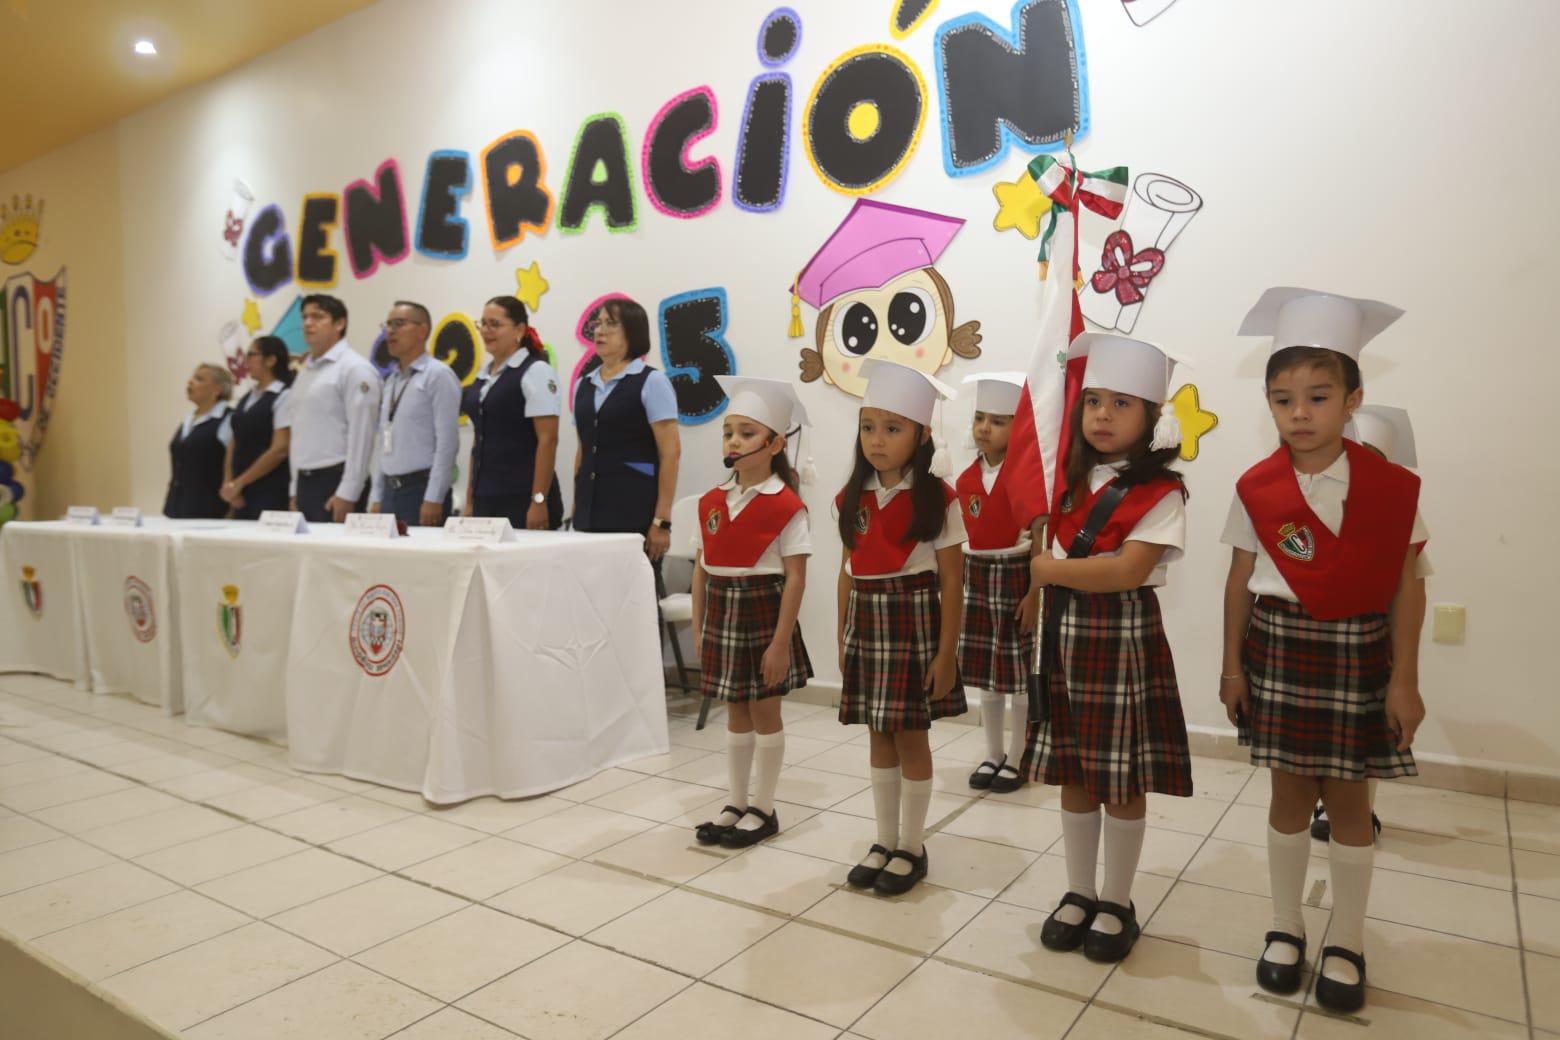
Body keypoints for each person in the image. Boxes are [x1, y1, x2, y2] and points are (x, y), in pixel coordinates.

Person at [1221, 288, 1428, 1014]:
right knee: (1285, 795)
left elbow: (1408, 587)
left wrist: (1405, 679)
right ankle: (1285, 927)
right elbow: (1241, 581)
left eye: (1317, 395)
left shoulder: (1392, 489)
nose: (1299, 414)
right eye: (1283, 400)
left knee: (1347, 802)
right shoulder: (1257, 488)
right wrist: (1230, 666)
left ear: (1353, 397)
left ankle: (1349, 938)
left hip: (1360, 653)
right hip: (1279, 649)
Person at [1025, 334, 1194, 965]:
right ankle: (1079, 890)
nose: (1101, 414)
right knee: (1073, 770)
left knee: (1119, 776)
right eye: (1093, 400)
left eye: (1121, 403)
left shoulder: (1161, 493)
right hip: (1066, 638)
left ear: (1153, 419)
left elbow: (1127, 571)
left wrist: (1047, 571)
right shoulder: (1067, 486)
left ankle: (1117, 901)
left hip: (1121, 638)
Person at [835, 359, 965, 897]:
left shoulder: (939, 499)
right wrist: (841, 636)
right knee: (877, 733)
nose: (877, 441)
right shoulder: (851, 499)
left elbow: (954, 583)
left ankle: (912, 844)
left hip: (914, 622)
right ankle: (884, 839)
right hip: (867, 621)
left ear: (922, 435)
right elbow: (846, 572)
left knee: (911, 736)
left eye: (893, 429)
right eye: (869, 426)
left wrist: (946, 654)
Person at [690, 376, 813, 849]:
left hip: (763, 616)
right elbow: (702, 569)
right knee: (735, 712)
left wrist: (781, 642)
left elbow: (796, 578)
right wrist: (700, 626)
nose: (734, 441)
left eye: (745, 432)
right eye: (728, 433)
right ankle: (735, 800)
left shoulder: (787, 505)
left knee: (765, 711)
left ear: (774, 442)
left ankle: (764, 805)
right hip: (722, 615)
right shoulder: (712, 502)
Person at [1310, 404, 1429, 843]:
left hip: (1373, 640)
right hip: (1314, 639)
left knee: (1365, 736)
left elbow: (1413, 584)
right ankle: (1320, 797)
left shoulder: (1395, 512)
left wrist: (1404, 662)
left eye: (1371, 456)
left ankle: (1363, 808)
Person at [956, 372, 1040, 794]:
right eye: (979, 418)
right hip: (977, 578)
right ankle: (993, 752)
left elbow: (1040, 539)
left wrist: (1034, 595)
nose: (985, 429)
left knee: (1019, 673)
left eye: (998, 421)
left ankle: (1021, 752)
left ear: (1018, 426)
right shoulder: (966, 477)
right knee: (988, 674)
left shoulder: (1028, 477)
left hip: (1015, 576)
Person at [571, 297, 681, 561]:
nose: (600, 330)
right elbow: (583, 449)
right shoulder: (583, 385)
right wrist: (577, 502)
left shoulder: (652, 381)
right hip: (588, 513)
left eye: (611, 324)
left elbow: (671, 453)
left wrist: (662, 520)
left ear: (632, 332)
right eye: (598, 323)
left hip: (634, 511)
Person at [463, 295, 563, 528]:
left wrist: (539, 501)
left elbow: (548, 440)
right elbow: (479, 441)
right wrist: (470, 500)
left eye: (495, 324)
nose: (487, 331)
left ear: (519, 329)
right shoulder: (483, 375)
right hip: (485, 495)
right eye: (483, 324)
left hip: (522, 497)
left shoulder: (536, 371)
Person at [286, 294, 381, 523]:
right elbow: (299, 434)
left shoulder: (354, 368)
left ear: (340, 324)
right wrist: (294, 490)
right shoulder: (306, 371)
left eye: (317, 317)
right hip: (305, 481)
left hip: (336, 481)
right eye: (305, 317)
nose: (308, 323)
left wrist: (349, 491)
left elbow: (362, 434)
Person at [368, 301, 461, 526]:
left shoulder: (438, 375)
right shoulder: (391, 380)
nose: (390, 331)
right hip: (390, 492)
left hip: (421, 491)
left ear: (423, 330)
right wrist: (377, 496)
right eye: (387, 325)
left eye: (399, 324)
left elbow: (447, 442)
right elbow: (384, 443)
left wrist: (433, 497)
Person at [222, 336, 293, 519]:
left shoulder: (283, 396)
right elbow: (234, 441)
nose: (246, 361)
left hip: (270, 491)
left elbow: (280, 449)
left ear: (270, 360)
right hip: (240, 494)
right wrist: (229, 483)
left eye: (251, 355)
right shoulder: (247, 398)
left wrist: (240, 482)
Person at [165, 363, 234, 519]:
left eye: (199, 379)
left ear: (217, 389)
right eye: (191, 378)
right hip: (177, 508)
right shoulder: (188, 419)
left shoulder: (228, 419)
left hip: (211, 512)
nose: (190, 382)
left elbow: (234, 464)